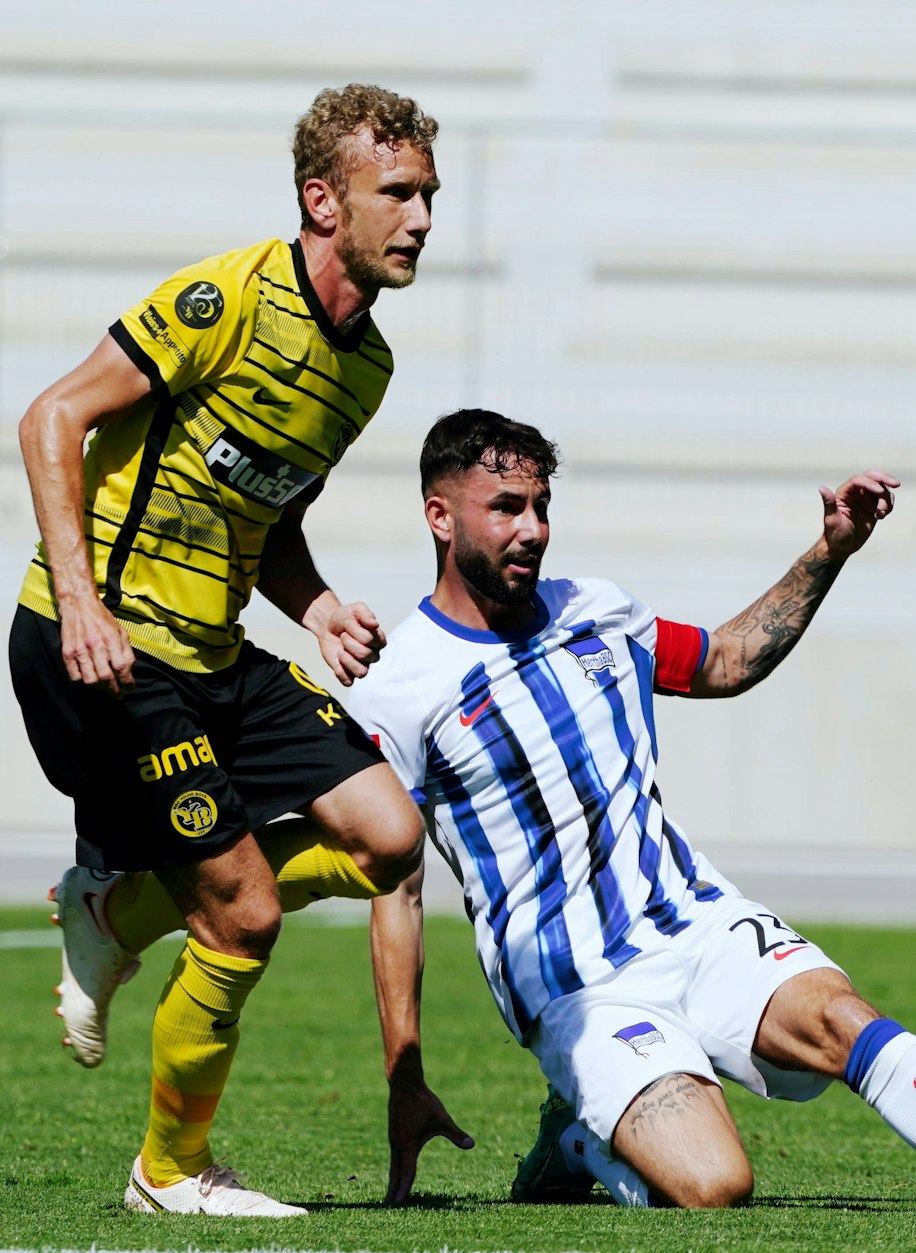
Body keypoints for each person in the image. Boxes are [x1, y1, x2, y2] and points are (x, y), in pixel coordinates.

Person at [346, 410, 916, 1220]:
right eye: (506, 506)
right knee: (715, 1186)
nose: (533, 529)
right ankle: (577, 1136)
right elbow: (393, 888)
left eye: (541, 505)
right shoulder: (400, 685)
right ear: (439, 515)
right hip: (583, 989)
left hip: (696, 921)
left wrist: (830, 550)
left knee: (842, 1019)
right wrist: (405, 1072)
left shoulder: (597, 609)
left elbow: (724, 660)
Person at [11, 83, 442, 1216]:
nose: (421, 217)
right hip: (96, 645)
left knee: (391, 837)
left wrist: (314, 604)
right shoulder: (225, 300)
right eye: (394, 193)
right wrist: (81, 598)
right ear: (322, 199)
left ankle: (111, 913)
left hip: (213, 650)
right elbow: (51, 417)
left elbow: (265, 512)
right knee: (244, 907)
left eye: (428, 194)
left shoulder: (365, 371)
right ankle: (170, 1170)